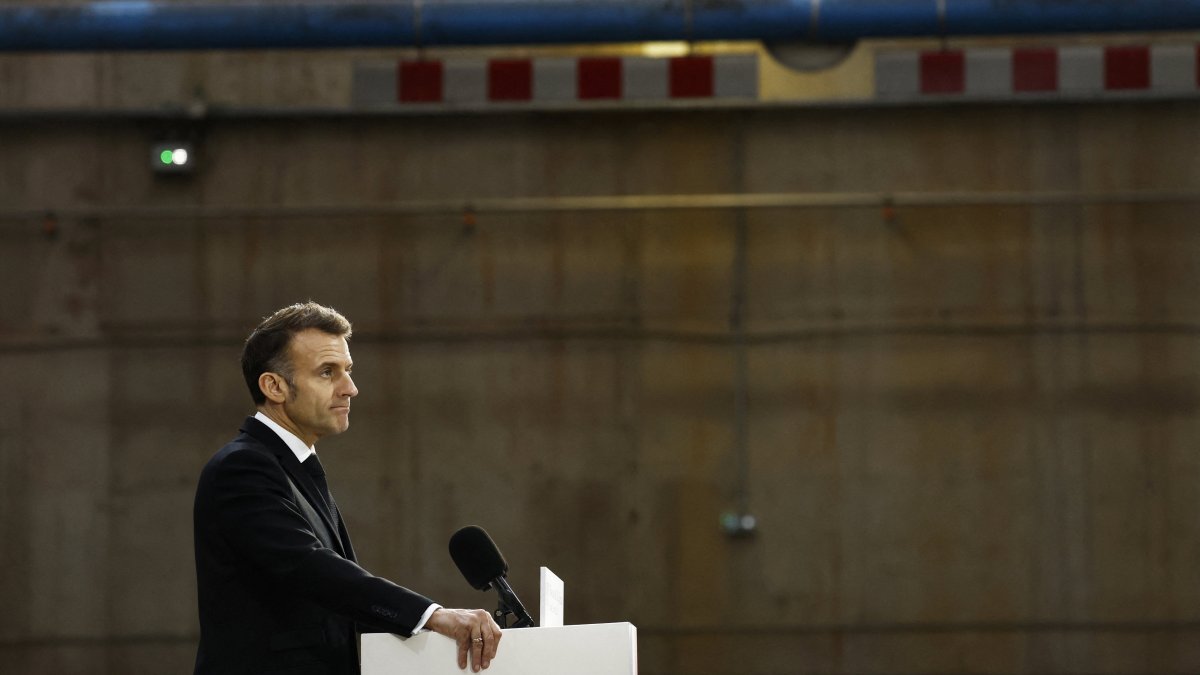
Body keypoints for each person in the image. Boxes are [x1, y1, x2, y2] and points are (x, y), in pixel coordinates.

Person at [193, 301, 501, 675]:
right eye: (327, 372)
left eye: (348, 370)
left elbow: (332, 600)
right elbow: (311, 569)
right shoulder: (243, 467)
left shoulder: (292, 466)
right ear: (273, 386)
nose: (350, 388)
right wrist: (431, 615)